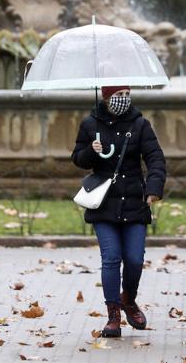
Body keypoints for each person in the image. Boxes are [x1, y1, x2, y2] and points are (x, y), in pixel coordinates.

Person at [71, 84, 166, 338]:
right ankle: (113, 314)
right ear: (105, 97)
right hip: (104, 202)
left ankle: (128, 299)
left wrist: (154, 187)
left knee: (135, 259)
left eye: (126, 95)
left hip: (134, 200)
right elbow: (78, 158)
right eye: (117, 96)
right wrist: (92, 151)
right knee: (111, 257)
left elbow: (155, 157)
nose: (123, 100)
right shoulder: (90, 124)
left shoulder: (140, 125)